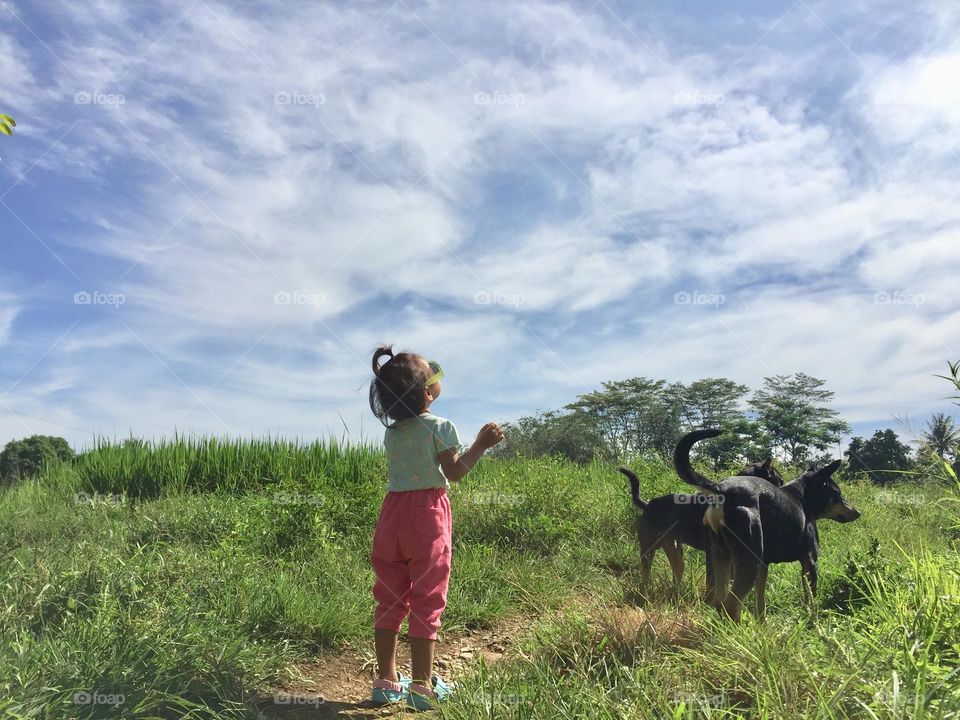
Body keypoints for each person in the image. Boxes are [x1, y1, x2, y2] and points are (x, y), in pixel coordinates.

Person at [368, 345, 503, 710]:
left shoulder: (394, 431)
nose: (438, 378)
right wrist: (481, 444)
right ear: (427, 393)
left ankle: (385, 682)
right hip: (427, 515)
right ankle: (422, 688)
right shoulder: (441, 426)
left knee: (390, 597)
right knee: (427, 599)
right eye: (435, 374)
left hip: (391, 514)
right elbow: (456, 473)